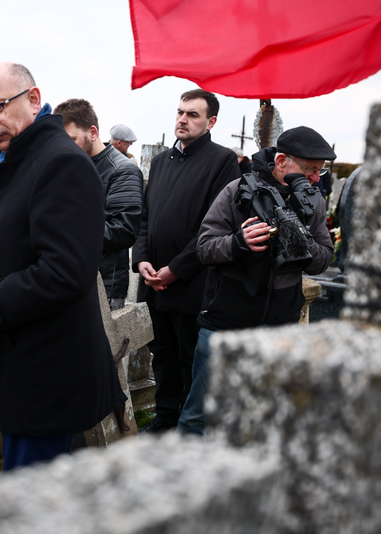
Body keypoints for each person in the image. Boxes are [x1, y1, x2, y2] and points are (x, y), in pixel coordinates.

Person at [0, 62, 125, 470]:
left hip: (46, 374)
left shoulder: (61, 163)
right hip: (25, 361)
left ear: (34, 99)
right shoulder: (24, 158)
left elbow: (65, 272)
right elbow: (19, 249)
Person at [176, 126, 335, 435]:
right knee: (198, 417)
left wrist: (303, 246)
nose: (316, 178)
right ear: (281, 161)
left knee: (264, 417)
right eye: (310, 170)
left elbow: (324, 258)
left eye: (320, 171)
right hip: (225, 323)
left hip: (281, 326)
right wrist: (238, 242)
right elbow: (205, 248)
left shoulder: (312, 201)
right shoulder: (237, 190)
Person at [132, 89, 240, 434]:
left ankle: (188, 428)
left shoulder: (222, 161)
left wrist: (176, 270)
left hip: (192, 282)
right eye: (180, 112)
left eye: (193, 114)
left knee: (189, 356)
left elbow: (214, 226)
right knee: (161, 354)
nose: (183, 119)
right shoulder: (162, 161)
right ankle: (164, 420)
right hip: (154, 279)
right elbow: (146, 217)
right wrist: (143, 260)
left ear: (211, 122)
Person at [54, 98, 143, 310]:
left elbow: (124, 229)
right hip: (63, 278)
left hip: (103, 287)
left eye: (72, 139)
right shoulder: (68, 166)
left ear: (93, 133)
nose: (64, 147)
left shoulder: (122, 170)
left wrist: (62, 230)